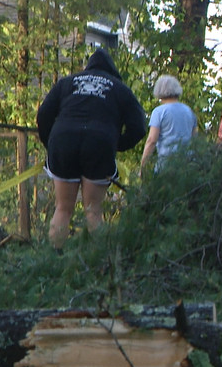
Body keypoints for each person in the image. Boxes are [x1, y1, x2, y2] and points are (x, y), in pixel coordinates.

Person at [36, 48, 146, 250]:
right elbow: (139, 127)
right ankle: (100, 261)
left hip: (63, 141)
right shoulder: (119, 88)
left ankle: (53, 258)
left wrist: (50, 144)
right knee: (93, 211)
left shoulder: (67, 83)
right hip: (99, 143)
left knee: (62, 208)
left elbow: (43, 114)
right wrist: (118, 144)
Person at [140, 75, 198, 171]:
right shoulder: (188, 111)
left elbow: (152, 140)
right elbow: (195, 138)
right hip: (187, 164)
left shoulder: (159, 112)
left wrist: (143, 167)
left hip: (166, 165)